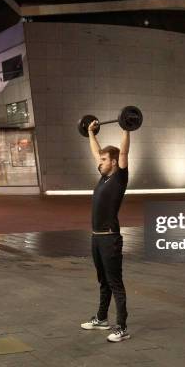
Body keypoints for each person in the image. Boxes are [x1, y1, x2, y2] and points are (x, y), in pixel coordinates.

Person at [80, 119, 131, 343]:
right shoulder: (103, 177)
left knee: (115, 282)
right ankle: (102, 319)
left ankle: (122, 327)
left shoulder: (119, 178)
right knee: (103, 281)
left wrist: (126, 129)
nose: (98, 162)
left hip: (110, 238)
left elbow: (124, 152)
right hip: (96, 237)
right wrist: (91, 133)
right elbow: (95, 152)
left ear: (114, 162)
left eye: (103, 160)